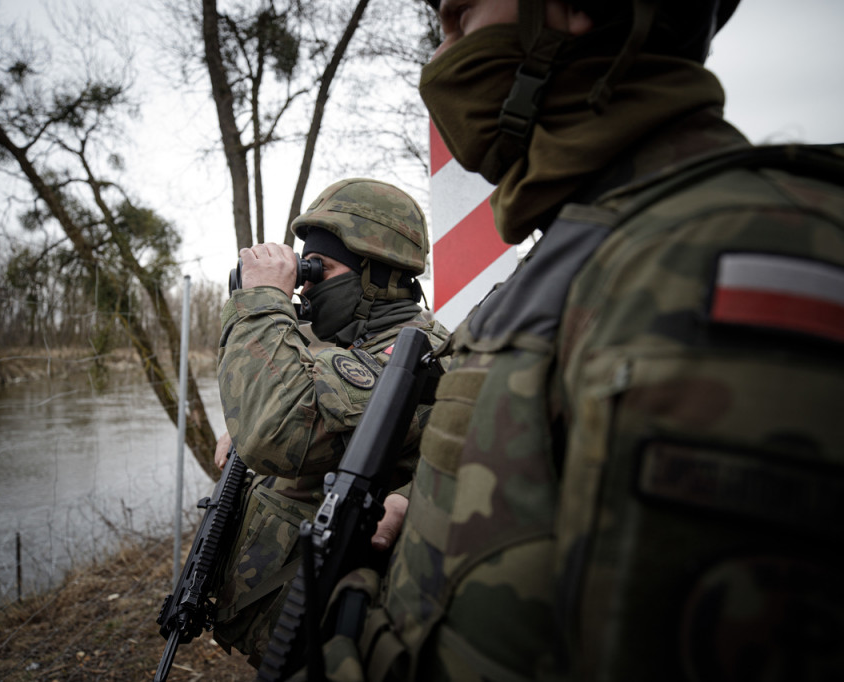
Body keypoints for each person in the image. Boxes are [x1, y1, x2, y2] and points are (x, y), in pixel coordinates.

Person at [309, 1, 844, 681]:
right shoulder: (584, 246)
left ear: (567, 9)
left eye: (461, 17)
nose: (440, 57)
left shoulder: (711, 254)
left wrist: (346, 628)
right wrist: (431, 519)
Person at [209, 177, 450, 666]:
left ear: (376, 276)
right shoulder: (358, 341)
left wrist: (260, 303)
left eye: (319, 268)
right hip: (295, 627)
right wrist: (247, 414)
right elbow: (298, 406)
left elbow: (276, 437)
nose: (304, 281)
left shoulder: (410, 358)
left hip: (335, 642)